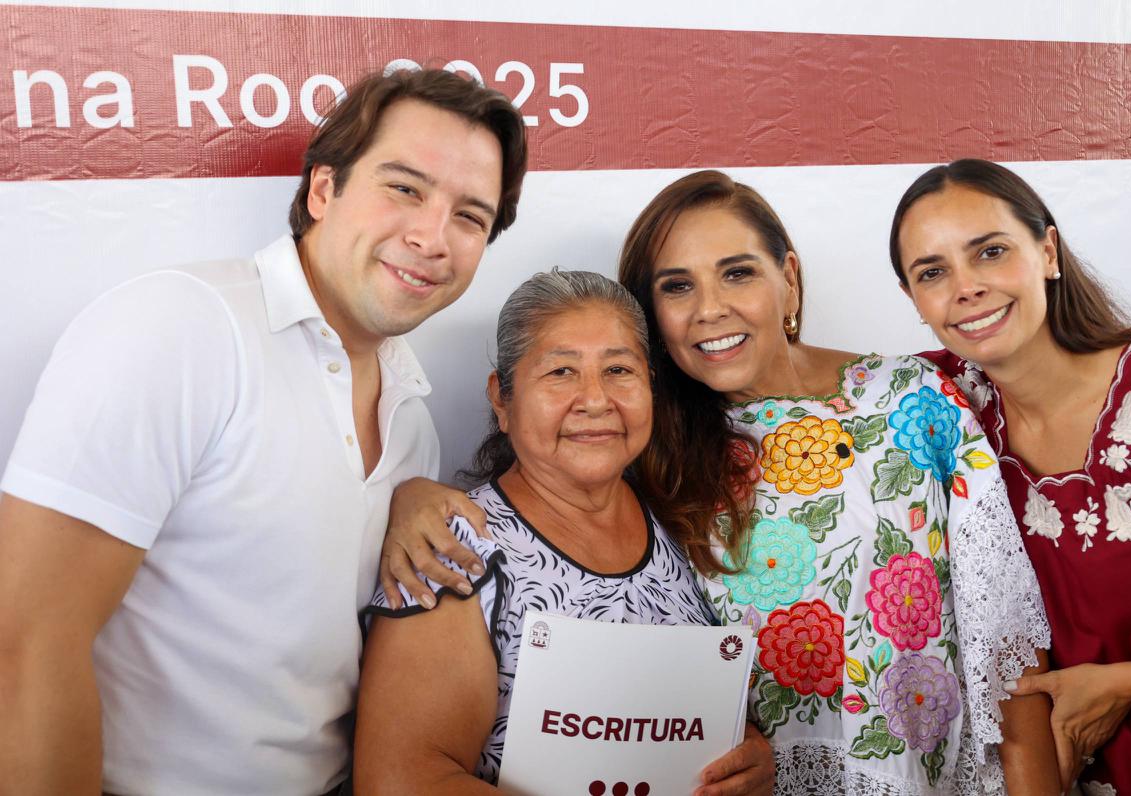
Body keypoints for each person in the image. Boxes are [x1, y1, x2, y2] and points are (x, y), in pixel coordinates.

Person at [0, 67, 527, 795]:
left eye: (470, 216)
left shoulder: (411, 411)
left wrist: (406, 497)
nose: (432, 237)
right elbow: (25, 644)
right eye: (405, 188)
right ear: (323, 191)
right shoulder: (180, 327)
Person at [615, 170, 1060, 794]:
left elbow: (1005, 636)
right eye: (677, 286)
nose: (710, 308)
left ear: (789, 279)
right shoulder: (646, 455)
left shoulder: (911, 398)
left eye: (737, 273)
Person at [889, 158, 1131, 794]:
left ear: (1048, 252)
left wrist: (1127, 683)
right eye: (932, 272)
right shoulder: (945, 409)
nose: (966, 287)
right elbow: (813, 383)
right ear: (915, 300)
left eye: (990, 252)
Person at [353, 269, 775, 795]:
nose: (595, 400)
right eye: (561, 372)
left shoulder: (683, 525)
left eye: (618, 369)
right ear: (502, 399)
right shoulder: (451, 550)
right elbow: (400, 782)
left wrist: (747, 756)